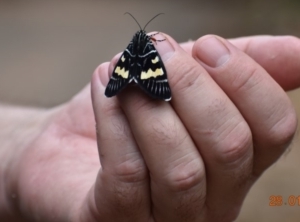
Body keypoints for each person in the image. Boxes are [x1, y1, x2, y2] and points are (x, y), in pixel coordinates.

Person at [0, 34, 299, 222]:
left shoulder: (134, 49)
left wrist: (23, 142)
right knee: (156, 81)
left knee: (139, 78)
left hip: (131, 67)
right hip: (148, 71)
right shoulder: (148, 49)